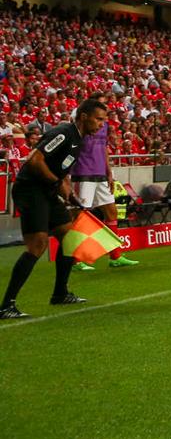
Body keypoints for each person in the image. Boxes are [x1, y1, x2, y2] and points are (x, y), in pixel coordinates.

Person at [1, 97, 108, 318]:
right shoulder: (63, 133)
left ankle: (60, 293)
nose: (101, 125)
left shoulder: (79, 141)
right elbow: (35, 160)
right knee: (37, 245)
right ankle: (6, 305)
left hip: (48, 191)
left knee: (69, 238)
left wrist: (69, 193)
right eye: (98, 119)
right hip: (31, 190)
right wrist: (57, 184)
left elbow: (62, 174)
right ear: (84, 116)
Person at [71, 100, 139, 271]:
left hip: (100, 173)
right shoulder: (81, 123)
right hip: (83, 173)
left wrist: (109, 172)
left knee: (112, 211)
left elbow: (104, 149)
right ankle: (75, 260)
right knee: (81, 216)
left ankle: (115, 256)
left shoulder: (104, 126)